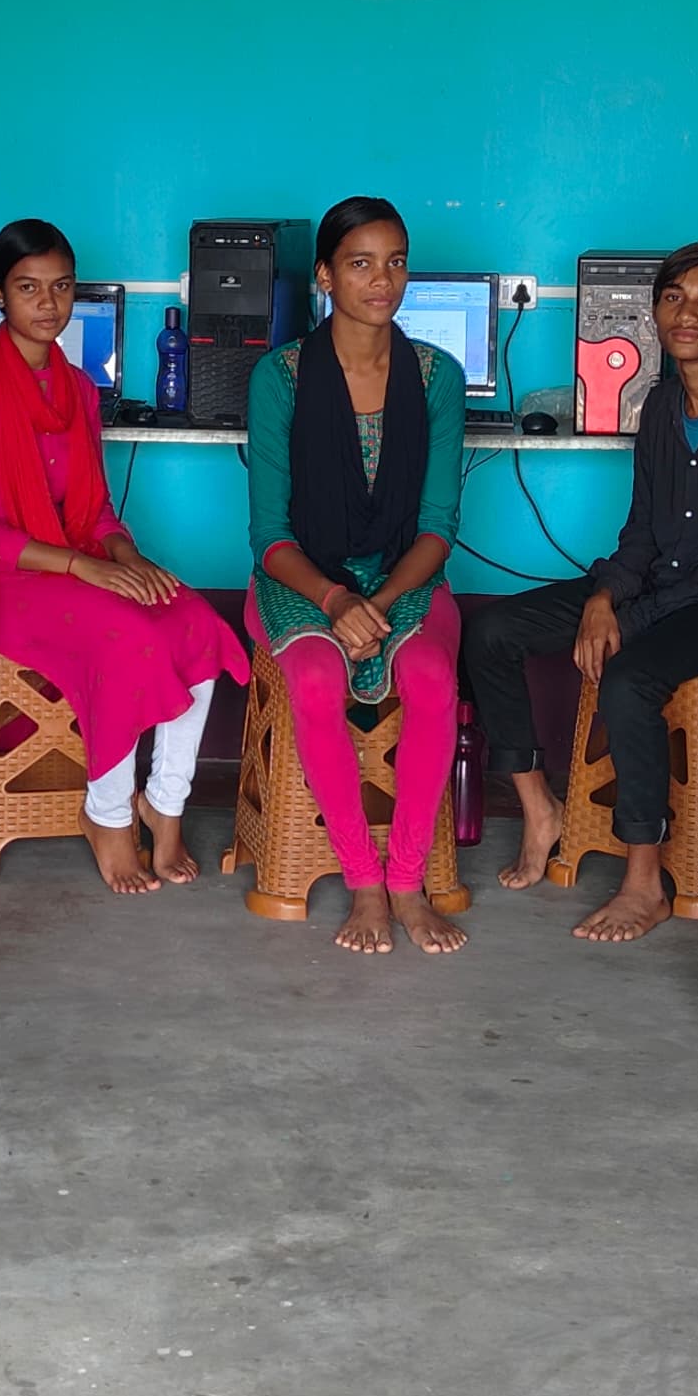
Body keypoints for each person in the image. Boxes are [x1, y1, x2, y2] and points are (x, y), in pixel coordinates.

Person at [463, 244, 698, 941]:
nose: (686, 313)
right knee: (491, 632)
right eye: (673, 297)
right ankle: (540, 809)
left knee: (628, 677)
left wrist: (630, 615)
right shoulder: (661, 403)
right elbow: (643, 530)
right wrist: (601, 599)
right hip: (659, 580)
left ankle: (644, 883)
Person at [0, 218, 245, 894]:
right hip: (0, 576)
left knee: (194, 620)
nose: (47, 303)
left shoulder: (77, 388)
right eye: (28, 288)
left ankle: (164, 804)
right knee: (128, 634)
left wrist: (126, 557)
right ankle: (107, 813)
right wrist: (87, 567)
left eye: (61, 287)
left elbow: (97, 508)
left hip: (74, 559)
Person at [246, 197, 468, 960]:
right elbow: (269, 536)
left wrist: (378, 602)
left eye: (395, 262)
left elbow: (437, 527)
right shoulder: (280, 377)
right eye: (360, 263)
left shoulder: (436, 377)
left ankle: (406, 881)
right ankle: (363, 881)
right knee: (314, 677)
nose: (382, 280)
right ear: (324, 276)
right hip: (301, 579)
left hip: (404, 578)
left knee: (431, 675)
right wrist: (335, 598)